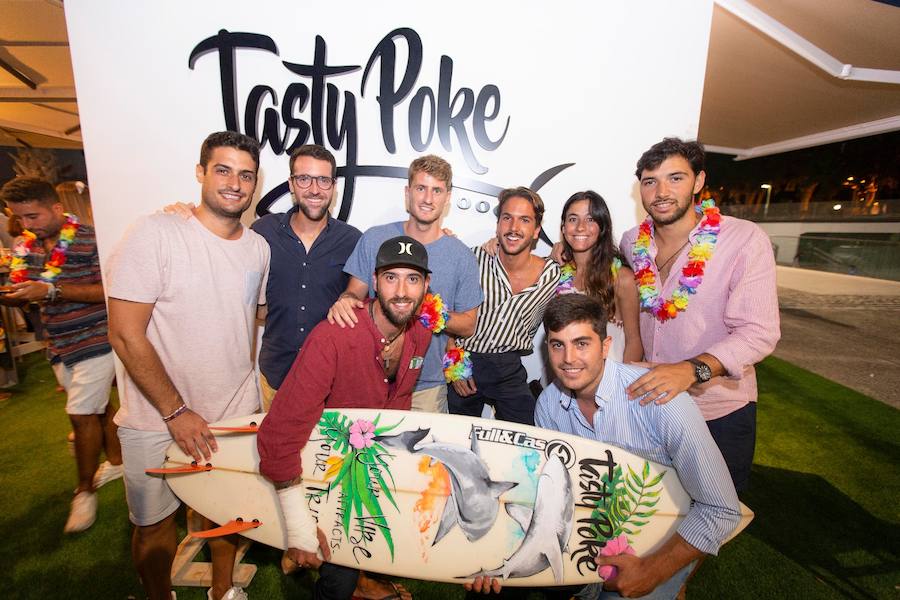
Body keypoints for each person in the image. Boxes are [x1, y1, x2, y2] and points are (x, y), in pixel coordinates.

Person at [482, 293, 738, 600]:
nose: (568, 359)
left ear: (605, 347)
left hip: (660, 542)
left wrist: (653, 571)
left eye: (581, 343)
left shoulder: (660, 401)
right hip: (588, 534)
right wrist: (495, 555)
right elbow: (551, 496)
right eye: (557, 344)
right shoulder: (548, 405)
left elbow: (721, 509)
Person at [106, 131, 270, 600]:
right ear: (200, 173)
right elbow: (124, 332)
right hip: (155, 418)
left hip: (233, 413)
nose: (234, 183)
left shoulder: (258, 248)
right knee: (153, 526)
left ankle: (222, 591)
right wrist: (176, 412)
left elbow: (251, 315)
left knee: (227, 513)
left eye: (246, 174)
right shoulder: (156, 233)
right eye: (223, 169)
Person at [258, 235, 433, 600]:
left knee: (371, 551)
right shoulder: (332, 337)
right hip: (324, 473)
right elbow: (278, 433)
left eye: (412, 279)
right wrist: (298, 524)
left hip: (370, 468)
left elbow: (397, 406)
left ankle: (366, 582)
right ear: (373, 280)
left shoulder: (420, 334)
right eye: (391, 278)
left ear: (426, 285)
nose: (402, 291)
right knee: (337, 583)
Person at [619, 138, 780, 493]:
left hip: (717, 410)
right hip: (652, 406)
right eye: (650, 181)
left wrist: (690, 370)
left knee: (712, 515)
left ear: (699, 180)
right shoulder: (633, 242)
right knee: (651, 510)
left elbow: (759, 333)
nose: (661, 191)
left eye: (675, 178)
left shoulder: (744, 240)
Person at [0, 176, 123, 534]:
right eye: (20, 218)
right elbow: (33, 287)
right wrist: (15, 293)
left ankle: (84, 491)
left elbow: (109, 289)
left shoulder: (89, 238)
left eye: (33, 216)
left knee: (80, 415)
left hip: (95, 338)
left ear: (56, 208)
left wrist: (51, 291)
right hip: (59, 343)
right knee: (98, 409)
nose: (26, 225)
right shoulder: (27, 246)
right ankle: (116, 460)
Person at [327, 155, 482, 414]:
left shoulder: (461, 256)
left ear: (447, 197)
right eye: (421, 188)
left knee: (421, 455)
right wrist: (345, 301)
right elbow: (354, 292)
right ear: (407, 193)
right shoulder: (375, 238)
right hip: (368, 378)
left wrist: (429, 313)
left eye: (437, 190)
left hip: (426, 387)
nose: (428, 198)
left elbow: (468, 324)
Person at [249, 145, 361, 409]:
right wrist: (187, 214)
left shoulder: (353, 240)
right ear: (291, 184)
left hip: (331, 383)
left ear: (334, 187)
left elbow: (361, 303)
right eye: (304, 179)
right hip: (276, 376)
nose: (314, 189)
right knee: (272, 449)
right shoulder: (262, 232)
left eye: (323, 180)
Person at [447, 187, 559, 425]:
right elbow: (445, 313)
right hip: (465, 362)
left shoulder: (553, 275)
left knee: (526, 440)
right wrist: (454, 367)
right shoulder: (472, 258)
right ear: (498, 225)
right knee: (455, 442)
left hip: (508, 369)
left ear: (537, 230)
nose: (514, 227)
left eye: (524, 220)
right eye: (507, 218)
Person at [555, 191, 642, 363]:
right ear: (564, 228)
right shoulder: (555, 272)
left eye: (590, 219)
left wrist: (621, 386)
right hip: (565, 378)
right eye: (573, 219)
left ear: (602, 227)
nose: (580, 227)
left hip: (608, 380)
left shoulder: (621, 278)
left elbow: (634, 341)